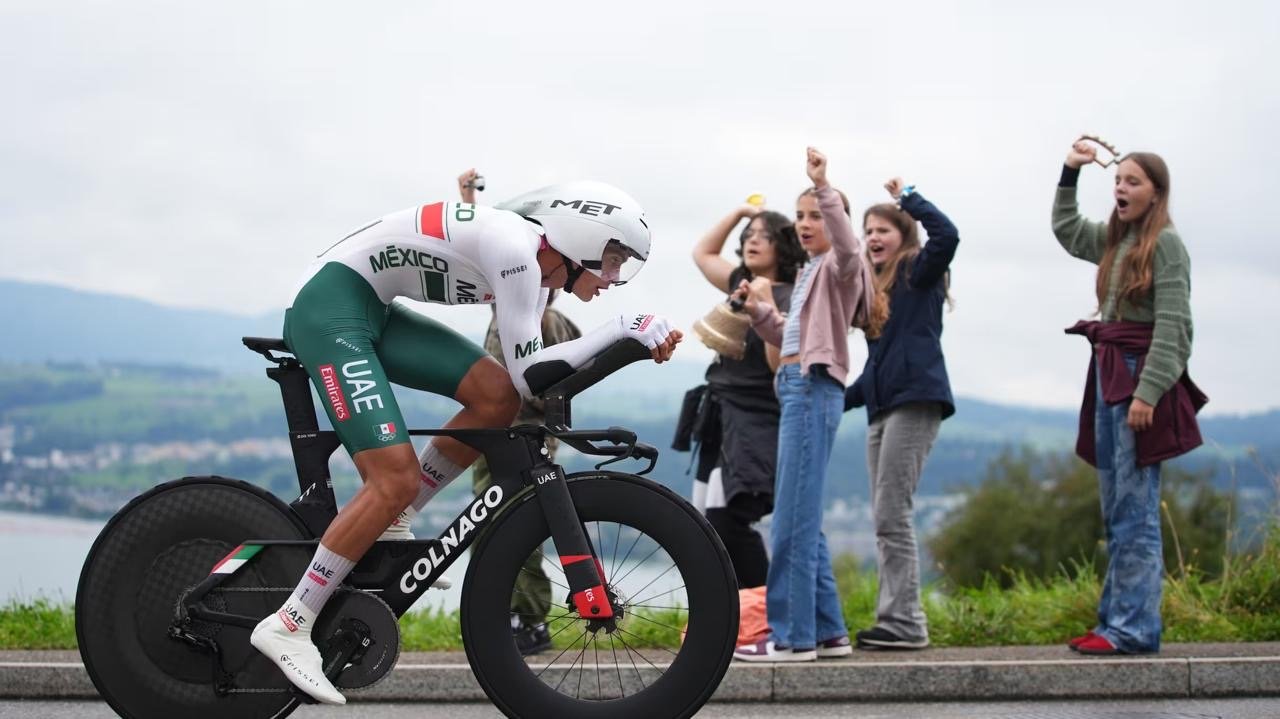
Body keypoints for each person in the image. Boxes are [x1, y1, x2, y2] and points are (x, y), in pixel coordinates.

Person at [249, 180, 682, 704]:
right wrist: (622, 327)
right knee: (393, 477)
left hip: (371, 308)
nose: (614, 277)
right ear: (577, 240)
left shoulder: (535, 264)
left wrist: (626, 337)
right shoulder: (517, 253)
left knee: (494, 399)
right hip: (330, 308)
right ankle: (291, 622)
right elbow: (533, 376)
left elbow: (517, 388)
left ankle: (390, 518)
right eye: (611, 259)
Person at [1055, 139, 1203, 655]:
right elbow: (1068, 231)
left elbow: (1176, 325)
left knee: (1135, 508)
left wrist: (1149, 392)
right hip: (1108, 370)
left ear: (1156, 193)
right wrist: (1070, 171)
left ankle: (1135, 628)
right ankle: (1115, 622)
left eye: (1133, 181)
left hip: (1139, 378)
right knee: (1116, 505)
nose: (1121, 187)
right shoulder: (1118, 241)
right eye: (1119, 180)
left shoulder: (1166, 244)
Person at [732, 147, 875, 663]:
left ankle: (792, 637)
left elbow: (850, 249)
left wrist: (823, 185)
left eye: (816, 215)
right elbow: (786, 336)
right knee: (804, 518)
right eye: (801, 215)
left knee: (790, 518)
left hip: (812, 388)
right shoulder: (814, 271)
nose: (807, 222)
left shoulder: (840, 265)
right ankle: (830, 631)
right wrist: (758, 312)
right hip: (796, 382)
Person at [457, 168, 582, 656]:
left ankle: (530, 619)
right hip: (492, 439)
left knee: (522, 534)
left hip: (525, 441)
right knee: (486, 528)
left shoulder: (549, 321)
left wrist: (535, 400)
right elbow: (488, 260)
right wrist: (467, 200)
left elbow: (564, 383)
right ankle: (502, 611)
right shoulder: (509, 310)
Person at [844, 178, 960, 650]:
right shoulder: (878, 293)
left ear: (904, 235)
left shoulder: (918, 270)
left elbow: (948, 235)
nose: (873, 236)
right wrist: (836, 398)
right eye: (868, 230)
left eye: (884, 229)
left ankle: (907, 622)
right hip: (883, 407)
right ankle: (894, 619)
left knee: (894, 512)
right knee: (884, 517)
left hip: (915, 401)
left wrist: (910, 198)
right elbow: (875, 367)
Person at [683, 202, 804, 589]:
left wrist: (764, 307)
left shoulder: (792, 296)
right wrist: (737, 214)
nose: (752, 241)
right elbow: (702, 254)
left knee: (732, 519)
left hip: (756, 418)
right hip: (719, 417)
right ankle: (730, 618)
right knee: (706, 523)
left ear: (782, 245)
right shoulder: (740, 281)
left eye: (763, 236)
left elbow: (777, 366)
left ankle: (762, 611)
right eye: (748, 236)